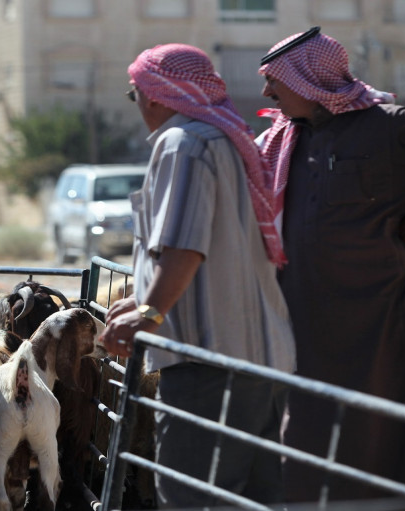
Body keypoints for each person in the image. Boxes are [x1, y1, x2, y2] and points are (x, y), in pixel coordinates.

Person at [257, 27, 405, 501]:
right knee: (307, 436)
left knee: (393, 431)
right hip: (308, 318)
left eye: (274, 82)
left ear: (307, 81)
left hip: (387, 316)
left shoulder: (391, 123)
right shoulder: (283, 141)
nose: (266, 93)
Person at [100, 43, 296, 507]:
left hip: (208, 362)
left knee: (194, 497)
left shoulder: (182, 142)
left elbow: (185, 245)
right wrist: (146, 298)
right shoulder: (229, 138)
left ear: (155, 95)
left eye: (137, 95)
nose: (140, 106)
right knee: (256, 495)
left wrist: (148, 312)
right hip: (262, 358)